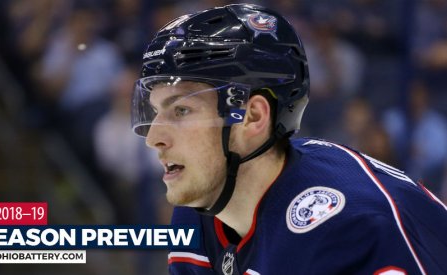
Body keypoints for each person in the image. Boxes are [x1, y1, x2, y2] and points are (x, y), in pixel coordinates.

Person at [130, 4, 447, 275]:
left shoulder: (348, 230)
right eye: (156, 111)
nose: (153, 138)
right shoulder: (199, 210)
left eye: (182, 110)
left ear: (253, 116)